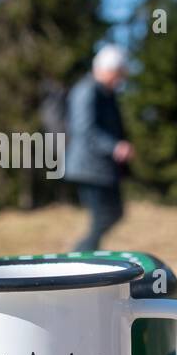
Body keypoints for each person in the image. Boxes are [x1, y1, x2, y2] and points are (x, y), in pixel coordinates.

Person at [64, 44, 134, 252]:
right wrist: (115, 147)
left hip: (103, 169)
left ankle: (85, 253)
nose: (120, 80)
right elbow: (84, 129)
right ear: (107, 70)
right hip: (88, 168)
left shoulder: (106, 93)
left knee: (115, 213)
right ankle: (81, 255)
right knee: (103, 216)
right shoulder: (87, 91)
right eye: (118, 74)